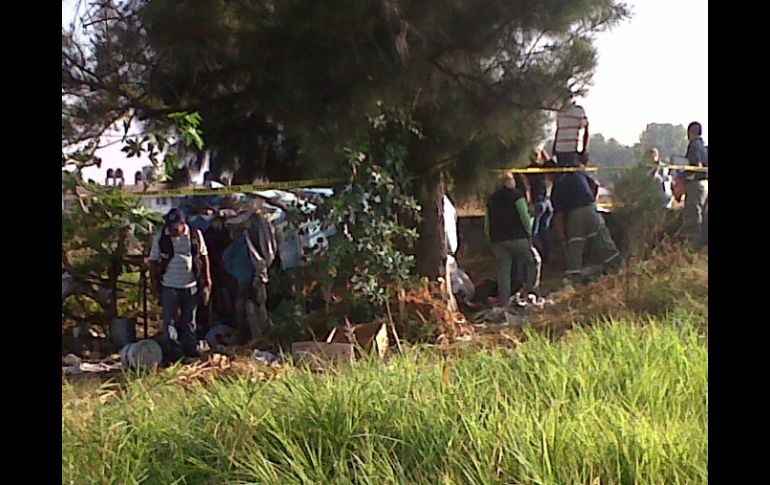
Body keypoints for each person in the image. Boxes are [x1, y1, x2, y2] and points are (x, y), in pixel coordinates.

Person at [149, 208, 211, 358]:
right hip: (169, 285)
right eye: (170, 227)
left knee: (189, 319)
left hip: (190, 285)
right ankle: (172, 350)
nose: (173, 230)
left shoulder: (195, 236)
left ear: (183, 224)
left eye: (176, 227)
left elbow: (204, 256)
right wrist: (154, 283)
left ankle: (190, 348)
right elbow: (153, 261)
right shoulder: (162, 237)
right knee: (169, 320)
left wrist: (207, 279)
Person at [549, 160, 620, 284]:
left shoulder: (558, 186)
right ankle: (616, 267)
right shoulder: (578, 174)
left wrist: (563, 239)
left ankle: (574, 278)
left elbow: (558, 216)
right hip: (590, 208)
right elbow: (596, 185)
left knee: (575, 245)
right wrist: (592, 200)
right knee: (602, 238)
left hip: (574, 215)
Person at [485, 172, 542, 306]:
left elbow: (487, 223)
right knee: (534, 262)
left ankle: (504, 302)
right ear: (511, 182)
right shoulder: (517, 196)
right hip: (518, 238)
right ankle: (529, 291)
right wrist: (530, 234)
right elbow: (524, 216)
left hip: (498, 240)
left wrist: (490, 241)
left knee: (503, 272)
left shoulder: (491, 199)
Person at [677, 121, 708, 249]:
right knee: (705, 215)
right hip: (705, 184)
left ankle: (693, 245)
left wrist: (682, 174)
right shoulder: (704, 147)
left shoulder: (693, 146)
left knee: (693, 215)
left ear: (690, 132)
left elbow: (695, 165)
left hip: (695, 184)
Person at [525, 148, 554, 263]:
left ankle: (538, 256)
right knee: (544, 231)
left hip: (537, 203)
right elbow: (551, 164)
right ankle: (547, 257)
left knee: (534, 233)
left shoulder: (528, 170)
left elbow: (527, 187)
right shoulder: (543, 168)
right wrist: (543, 152)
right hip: (547, 203)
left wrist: (528, 203)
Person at [553, 92, 589, 167]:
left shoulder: (578, 111)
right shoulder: (559, 112)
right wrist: (554, 149)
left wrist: (584, 149)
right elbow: (558, 130)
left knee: (574, 174)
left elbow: (586, 130)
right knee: (561, 176)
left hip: (573, 149)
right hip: (560, 149)